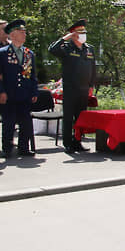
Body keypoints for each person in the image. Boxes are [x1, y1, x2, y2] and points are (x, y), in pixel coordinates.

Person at [48, 19, 96, 153]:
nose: (83, 35)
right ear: (73, 34)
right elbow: (52, 49)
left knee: (81, 118)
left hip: (84, 89)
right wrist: (66, 37)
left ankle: (78, 142)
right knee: (68, 118)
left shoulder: (89, 48)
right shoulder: (67, 48)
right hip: (70, 89)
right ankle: (68, 143)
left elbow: (93, 68)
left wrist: (91, 85)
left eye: (84, 32)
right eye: (80, 32)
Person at [0, 19, 38, 157]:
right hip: (9, 93)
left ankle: (24, 148)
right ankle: (7, 148)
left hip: (24, 93)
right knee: (8, 122)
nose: (24, 35)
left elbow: (32, 75)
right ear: (12, 34)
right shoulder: (2, 53)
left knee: (25, 122)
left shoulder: (28, 53)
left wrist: (34, 91)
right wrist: (1, 91)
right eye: (21, 32)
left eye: (25, 32)